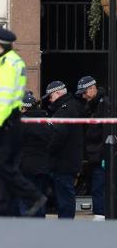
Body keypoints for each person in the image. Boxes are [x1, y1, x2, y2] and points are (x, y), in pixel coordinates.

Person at [0, 26, 47, 217]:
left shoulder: (10, 63)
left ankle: (34, 196)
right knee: (4, 167)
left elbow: (7, 96)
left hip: (7, 121)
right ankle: (5, 209)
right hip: (2, 120)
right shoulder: (0, 61)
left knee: (3, 166)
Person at [43, 80, 85, 219]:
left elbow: (58, 136)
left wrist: (46, 151)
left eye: (51, 96)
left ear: (58, 93)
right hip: (68, 160)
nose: (50, 99)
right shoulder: (72, 106)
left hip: (64, 162)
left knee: (64, 196)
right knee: (64, 194)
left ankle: (65, 226)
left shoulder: (66, 110)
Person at [75, 76, 109, 221]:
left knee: (100, 186)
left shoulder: (104, 104)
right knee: (97, 185)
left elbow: (106, 132)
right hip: (95, 155)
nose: (83, 96)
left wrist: (103, 154)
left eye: (85, 92)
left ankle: (101, 214)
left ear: (92, 88)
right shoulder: (93, 104)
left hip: (101, 155)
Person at [19, 91, 53, 217]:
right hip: (43, 166)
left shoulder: (22, 122)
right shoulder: (45, 120)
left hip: (25, 166)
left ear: (24, 107)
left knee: (25, 198)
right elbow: (52, 139)